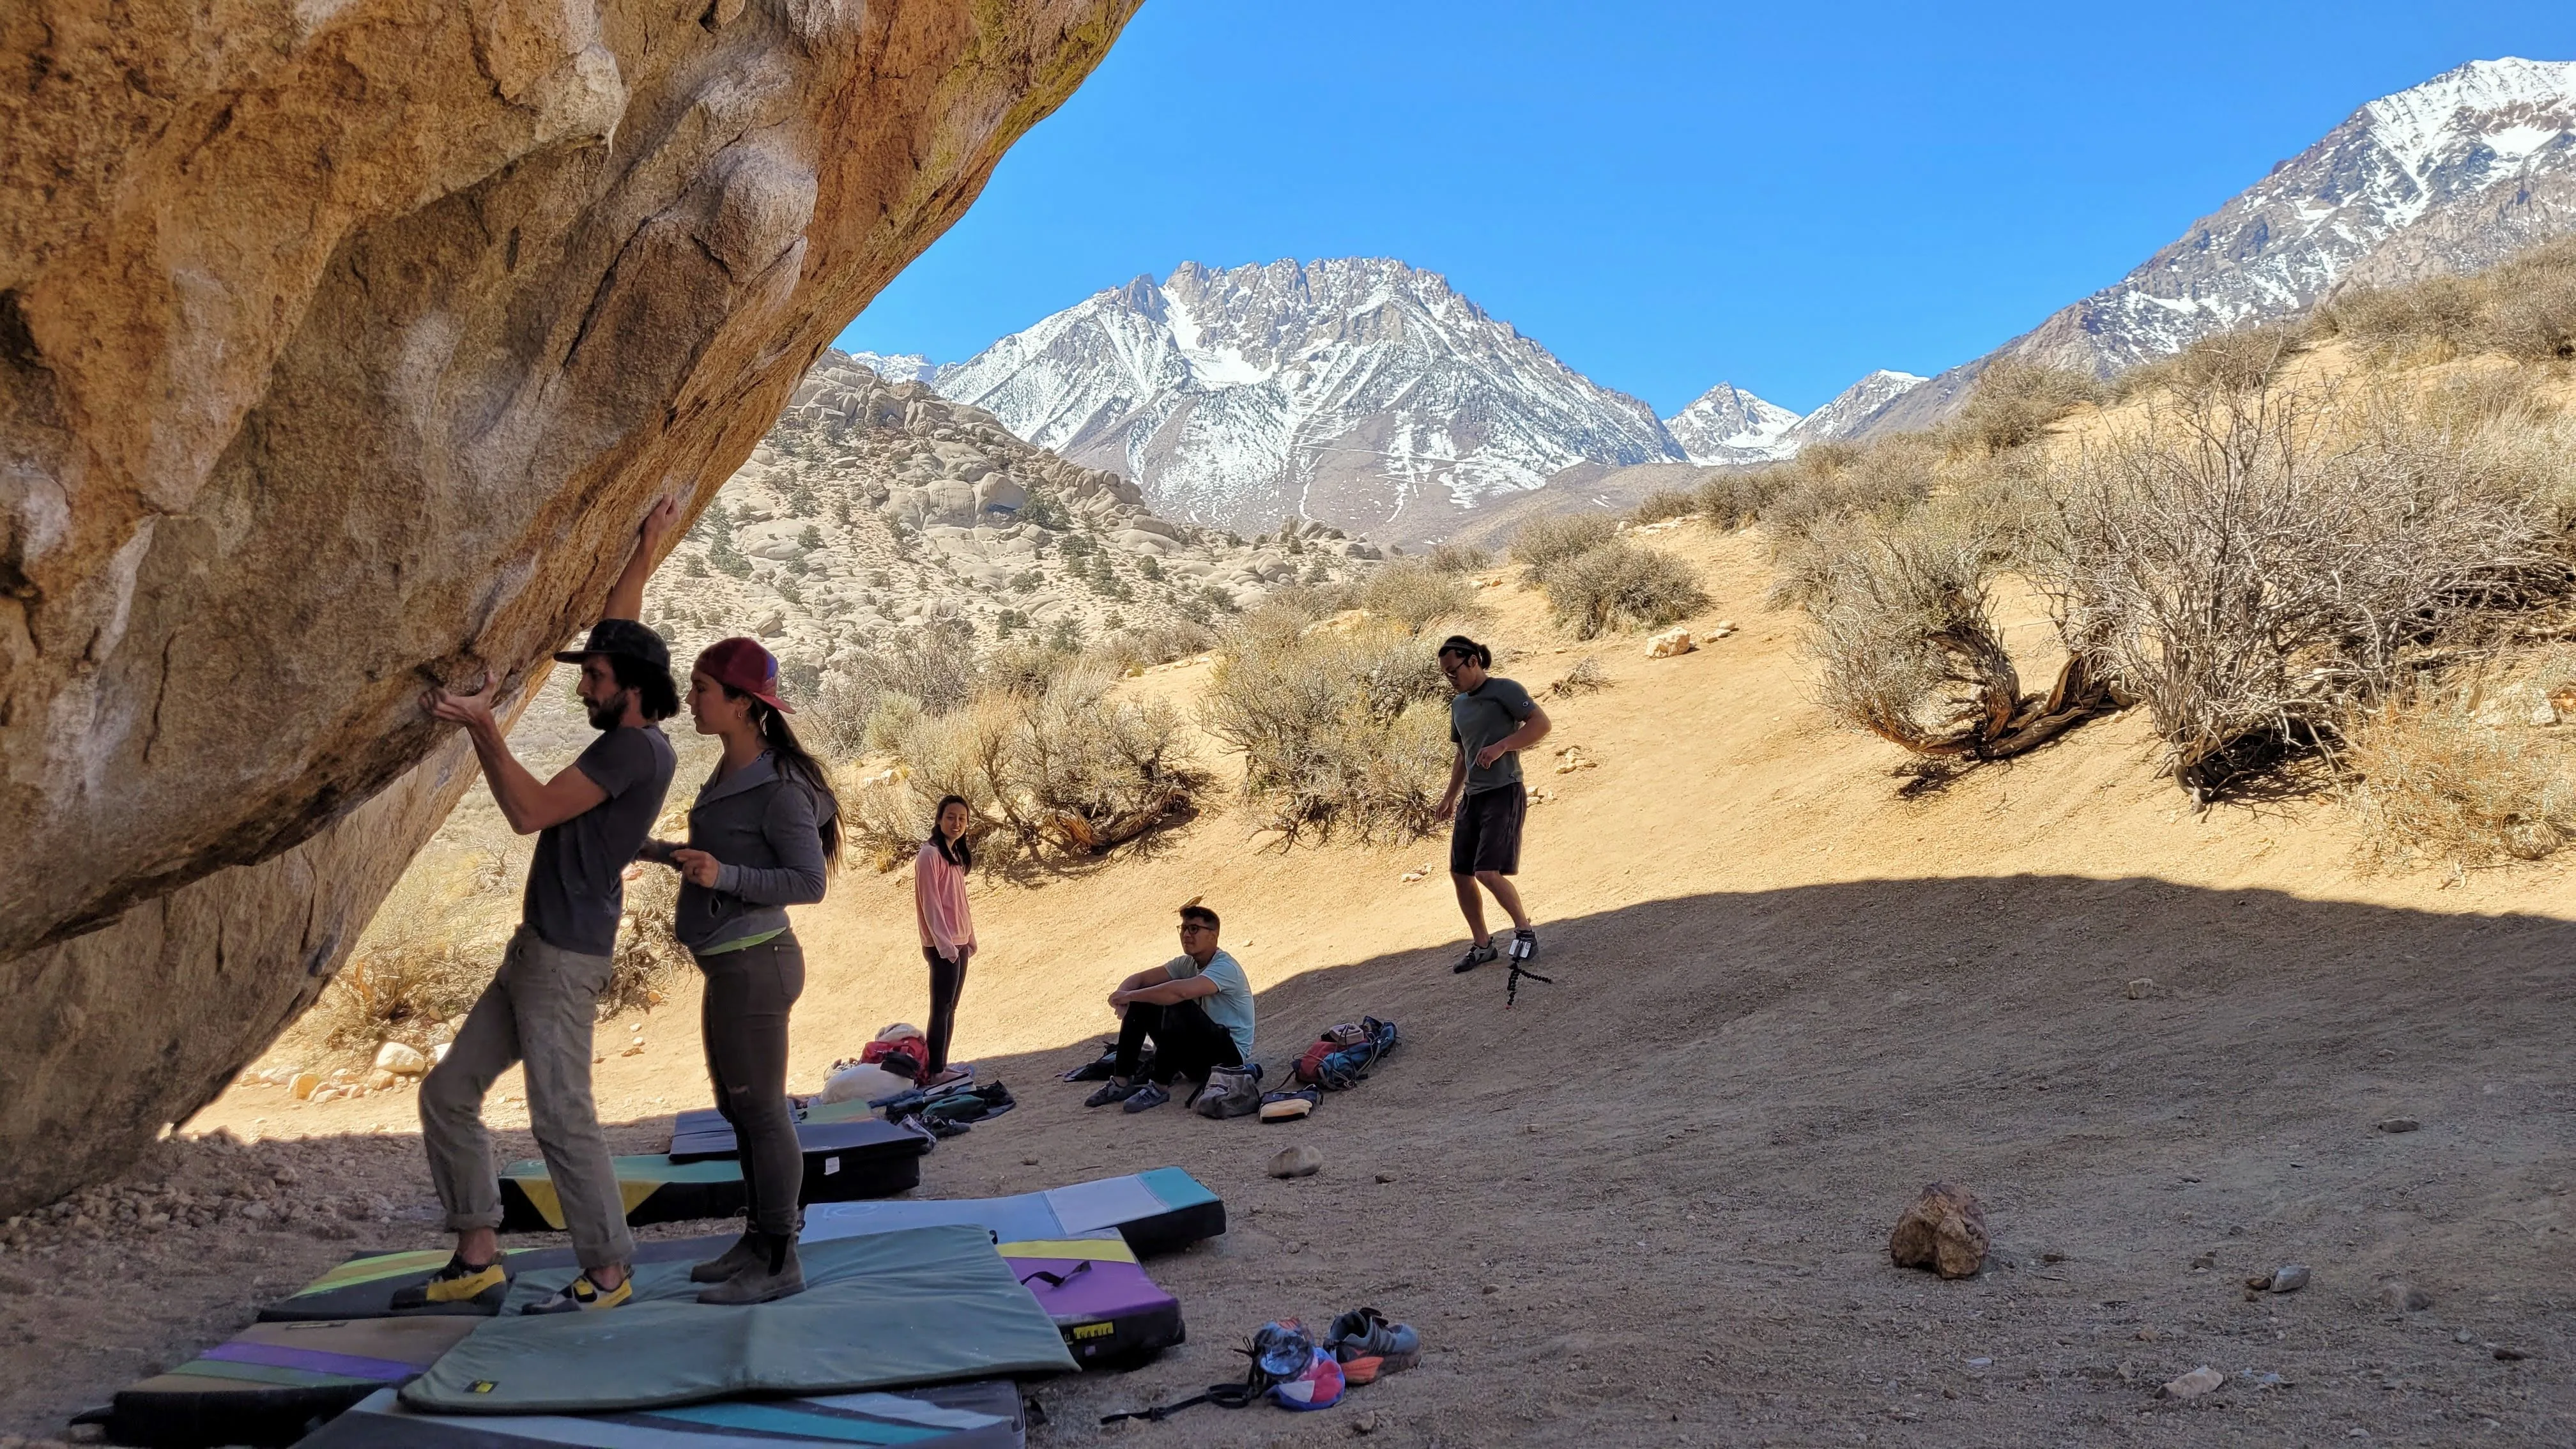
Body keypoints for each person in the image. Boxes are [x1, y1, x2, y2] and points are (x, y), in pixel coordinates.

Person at [407, 500, 683, 1315]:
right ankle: (477, 1252)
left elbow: (529, 811)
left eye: (595, 678)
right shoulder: (631, 721)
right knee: (447, 1093)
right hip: (538, 951)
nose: (584, 685)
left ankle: (607, 1273)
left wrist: (482, 727)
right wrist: (644, 547)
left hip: (563, 961)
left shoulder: (632, 749)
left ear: (630, 692)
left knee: (562, 1120)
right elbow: (621, 626)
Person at [637, 636, 839, 1305]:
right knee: (737, 1107)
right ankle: (757, 1241)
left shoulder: (778, 786)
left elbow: (808, 883)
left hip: (758, 964)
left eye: (701, 690)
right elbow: (718, 857)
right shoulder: (733, 771)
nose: (690, 700)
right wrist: (660, 851)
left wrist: (725, 874)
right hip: (731, 966)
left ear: (745, 705)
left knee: (762, 1112)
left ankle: (781, 1256)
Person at [1432, 634, 1551, 974]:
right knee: (1460, 874)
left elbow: (1541, 725)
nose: (1451, 679)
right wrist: (1450, 796)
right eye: (1445, 674)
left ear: (1473, 662)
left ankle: (1525, 932)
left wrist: (1502, 746)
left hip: (1504, 791)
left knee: (1486, 871)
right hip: (1473, 796)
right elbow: (1462, 753)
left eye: (1454, 670)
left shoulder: (1505, 690)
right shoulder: (1458, 706)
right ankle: (1483, 946)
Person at [1085, 904, 1255, 1114]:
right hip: (1196, 1059)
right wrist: (1123, 997)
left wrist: (1130, 996)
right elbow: (1141, 979)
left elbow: (1179, 993)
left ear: (1213, 935)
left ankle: (1158, 1087)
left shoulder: (1225, 967)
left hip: (1228, 1061)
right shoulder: (1186, 964)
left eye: (1194, 929)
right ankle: (1121, 1082)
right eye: (1183, 928)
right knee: (1146, 996)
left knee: (1174, 1002)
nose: (1186, 935)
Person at [914, 795, 976, 1087]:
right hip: (943, 946)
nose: (957, 823)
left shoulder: (955, 855)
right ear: (939, 819)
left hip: (959, 942)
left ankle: (942, 1065)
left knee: (951, 1007)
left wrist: (970, 937)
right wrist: (945, 944)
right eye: (951, 817)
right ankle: (935, 1071)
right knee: (940, 1007)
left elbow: (960, 902)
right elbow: (931, 904)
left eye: (962, 819)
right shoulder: (929, 855)